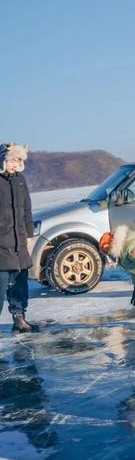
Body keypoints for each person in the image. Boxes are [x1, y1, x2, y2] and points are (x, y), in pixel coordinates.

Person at [0, 143, 36, 333]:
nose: (16, 164)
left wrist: (29, 234)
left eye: (19, 161)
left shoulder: (20, 180)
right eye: (13, 160)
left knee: (20, 285)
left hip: (19, 241)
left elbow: (27, 210)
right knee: (1, 285)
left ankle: (19, 319)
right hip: (2, 244)